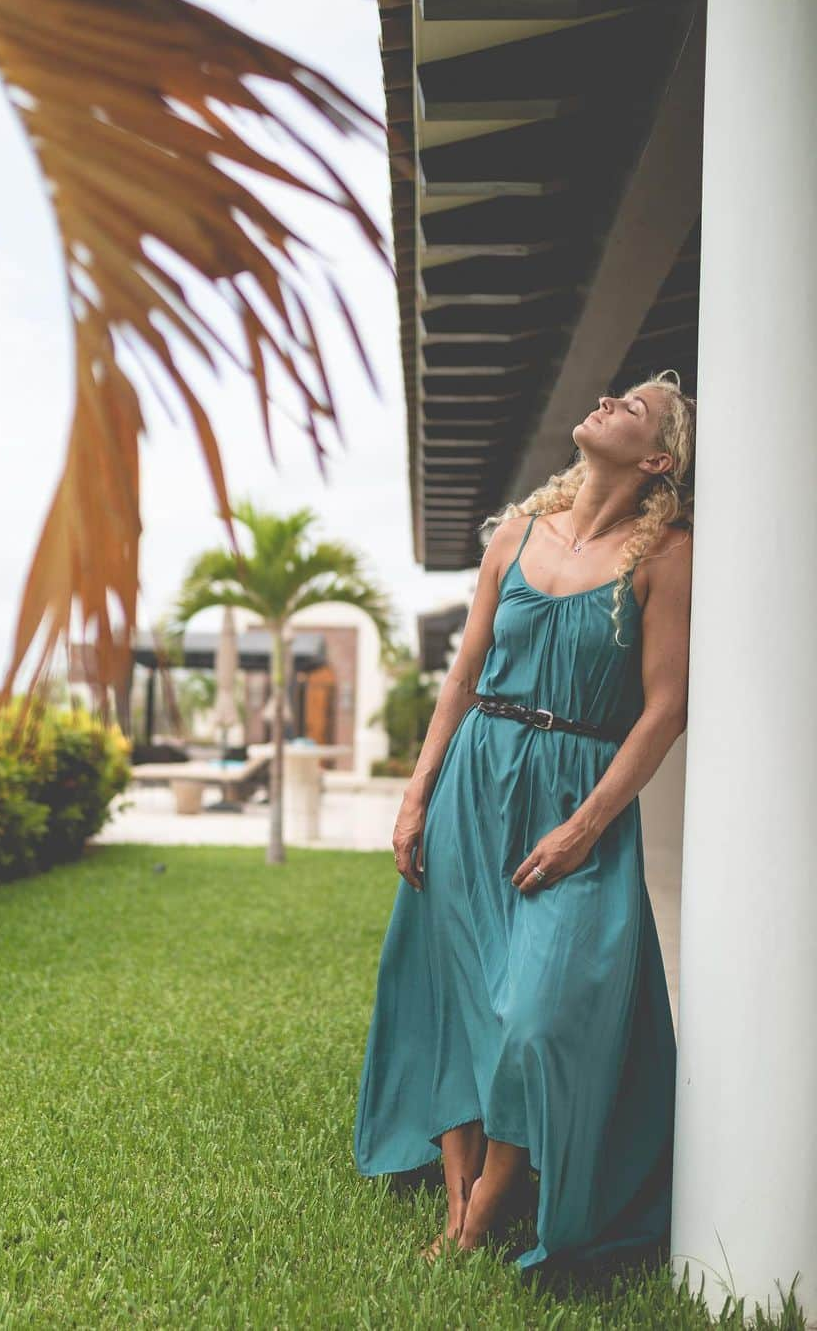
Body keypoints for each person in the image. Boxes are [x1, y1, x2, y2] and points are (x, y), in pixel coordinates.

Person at [353, 369, 696, 1278]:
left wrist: (586, 828)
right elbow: (462, 676)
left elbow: (665, 709)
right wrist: (418, 791)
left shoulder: (664, 555)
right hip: (476, 780)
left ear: (658, 458)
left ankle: (484, 1217)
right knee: (459, 990)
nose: (611, 401)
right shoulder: (516, 532)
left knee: (539, 1012)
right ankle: (465, 1193)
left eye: (638, 409)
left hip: (575, 793)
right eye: (616, 394)